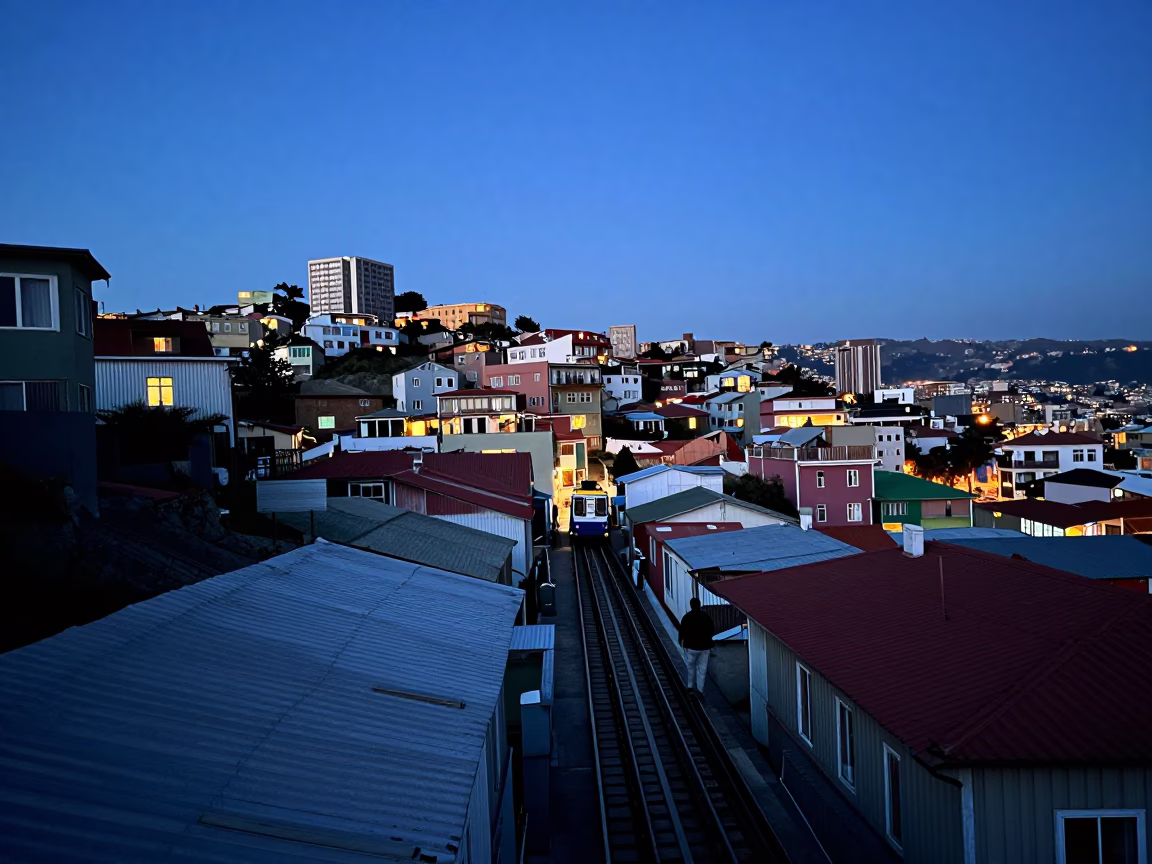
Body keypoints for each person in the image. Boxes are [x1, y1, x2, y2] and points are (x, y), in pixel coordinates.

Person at [677, 597, 715, 697]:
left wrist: (681, 642)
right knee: (702, 669)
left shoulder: (687, 617)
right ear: (699, 604)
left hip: (690, 647)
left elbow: (682, 632)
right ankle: (700, 689)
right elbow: (712, 630)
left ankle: (690, 687)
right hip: (705, 647)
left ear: (691, 605)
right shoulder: (706, 616)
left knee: (690, 667)